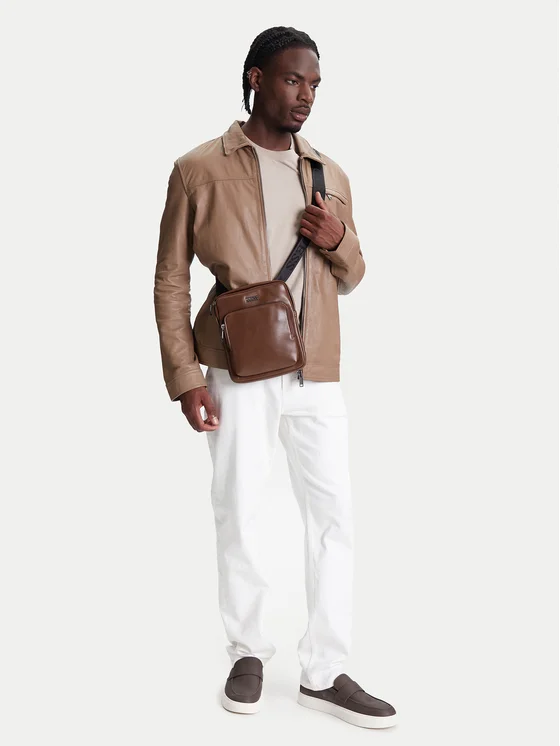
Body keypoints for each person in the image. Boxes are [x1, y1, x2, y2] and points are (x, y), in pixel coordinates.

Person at [153, 25, 397, 730]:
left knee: (334, 515)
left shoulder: (329, 174)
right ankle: (248, 652)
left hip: (317, 371)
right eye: (294, 80)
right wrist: (186, 376)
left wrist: (338, 240)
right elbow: (171, 280)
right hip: (238, 367)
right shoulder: (198, 168)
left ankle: (325, 670)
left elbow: (352, 275)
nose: (306, 96)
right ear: (256, 78)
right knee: (240, 507)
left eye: (315, 85)